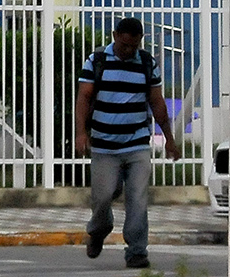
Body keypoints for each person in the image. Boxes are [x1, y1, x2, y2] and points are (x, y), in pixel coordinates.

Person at [75, 17, 180, 270]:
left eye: (134, 46)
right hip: (104, 146)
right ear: (114, 36)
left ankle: (136, 251)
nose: (128, 51)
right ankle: (98, 231)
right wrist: (81, 133)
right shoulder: (97, 60)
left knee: (137, 200)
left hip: (136, 144)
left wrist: (169, 139)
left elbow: (157, 102)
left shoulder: (146, 63)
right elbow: (84, 97)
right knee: (102, 198)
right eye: (124, 46)